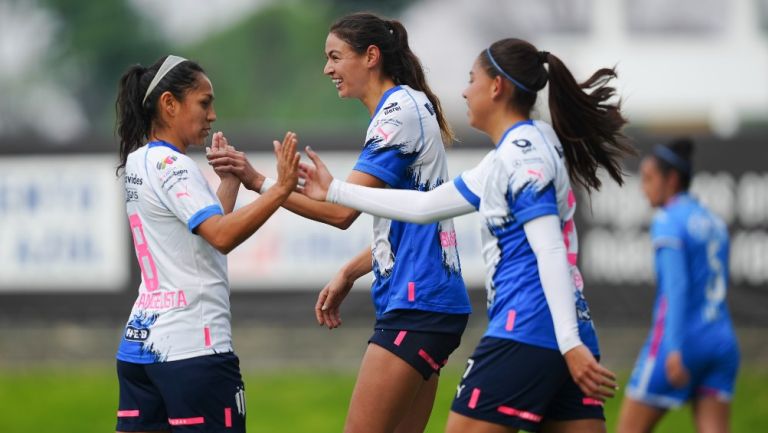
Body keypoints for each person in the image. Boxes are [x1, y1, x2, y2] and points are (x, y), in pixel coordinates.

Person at [298, 37, 637, 433]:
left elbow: (550, 251)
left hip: (528, 332)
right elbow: (424, 207)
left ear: (496, 88)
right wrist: (336, 190)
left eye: (471, 78)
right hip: (567, 334)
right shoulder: (519, 150)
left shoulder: (521, 155)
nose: (463, 90)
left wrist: (568, 343)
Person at [208, 12, 471, 433]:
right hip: (430, 304)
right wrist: (349, 271)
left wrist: (260, 182)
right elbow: (407, 222)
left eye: (335, 56)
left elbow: (341, 212)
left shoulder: (396, 115)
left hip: (418, 304)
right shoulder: (405, 106)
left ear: (371, 56)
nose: (327, 68)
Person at [114, 54, 299, 433]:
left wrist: (228, 183)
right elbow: (222, 236)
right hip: (192, 353)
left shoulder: (138, 161)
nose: (212, 114)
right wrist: (279, 189)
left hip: (140, 352)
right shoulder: (175, 166)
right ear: (169, 103)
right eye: (204, 102)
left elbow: (200, 240)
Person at [617, 138, 740, 433]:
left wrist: (673, 347)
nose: (642, 187)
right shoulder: (713, 221)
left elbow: (676, 287)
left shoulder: (668, 220)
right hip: (721, 342)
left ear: (671, 179)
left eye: (648, 178)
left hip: (682, 343)